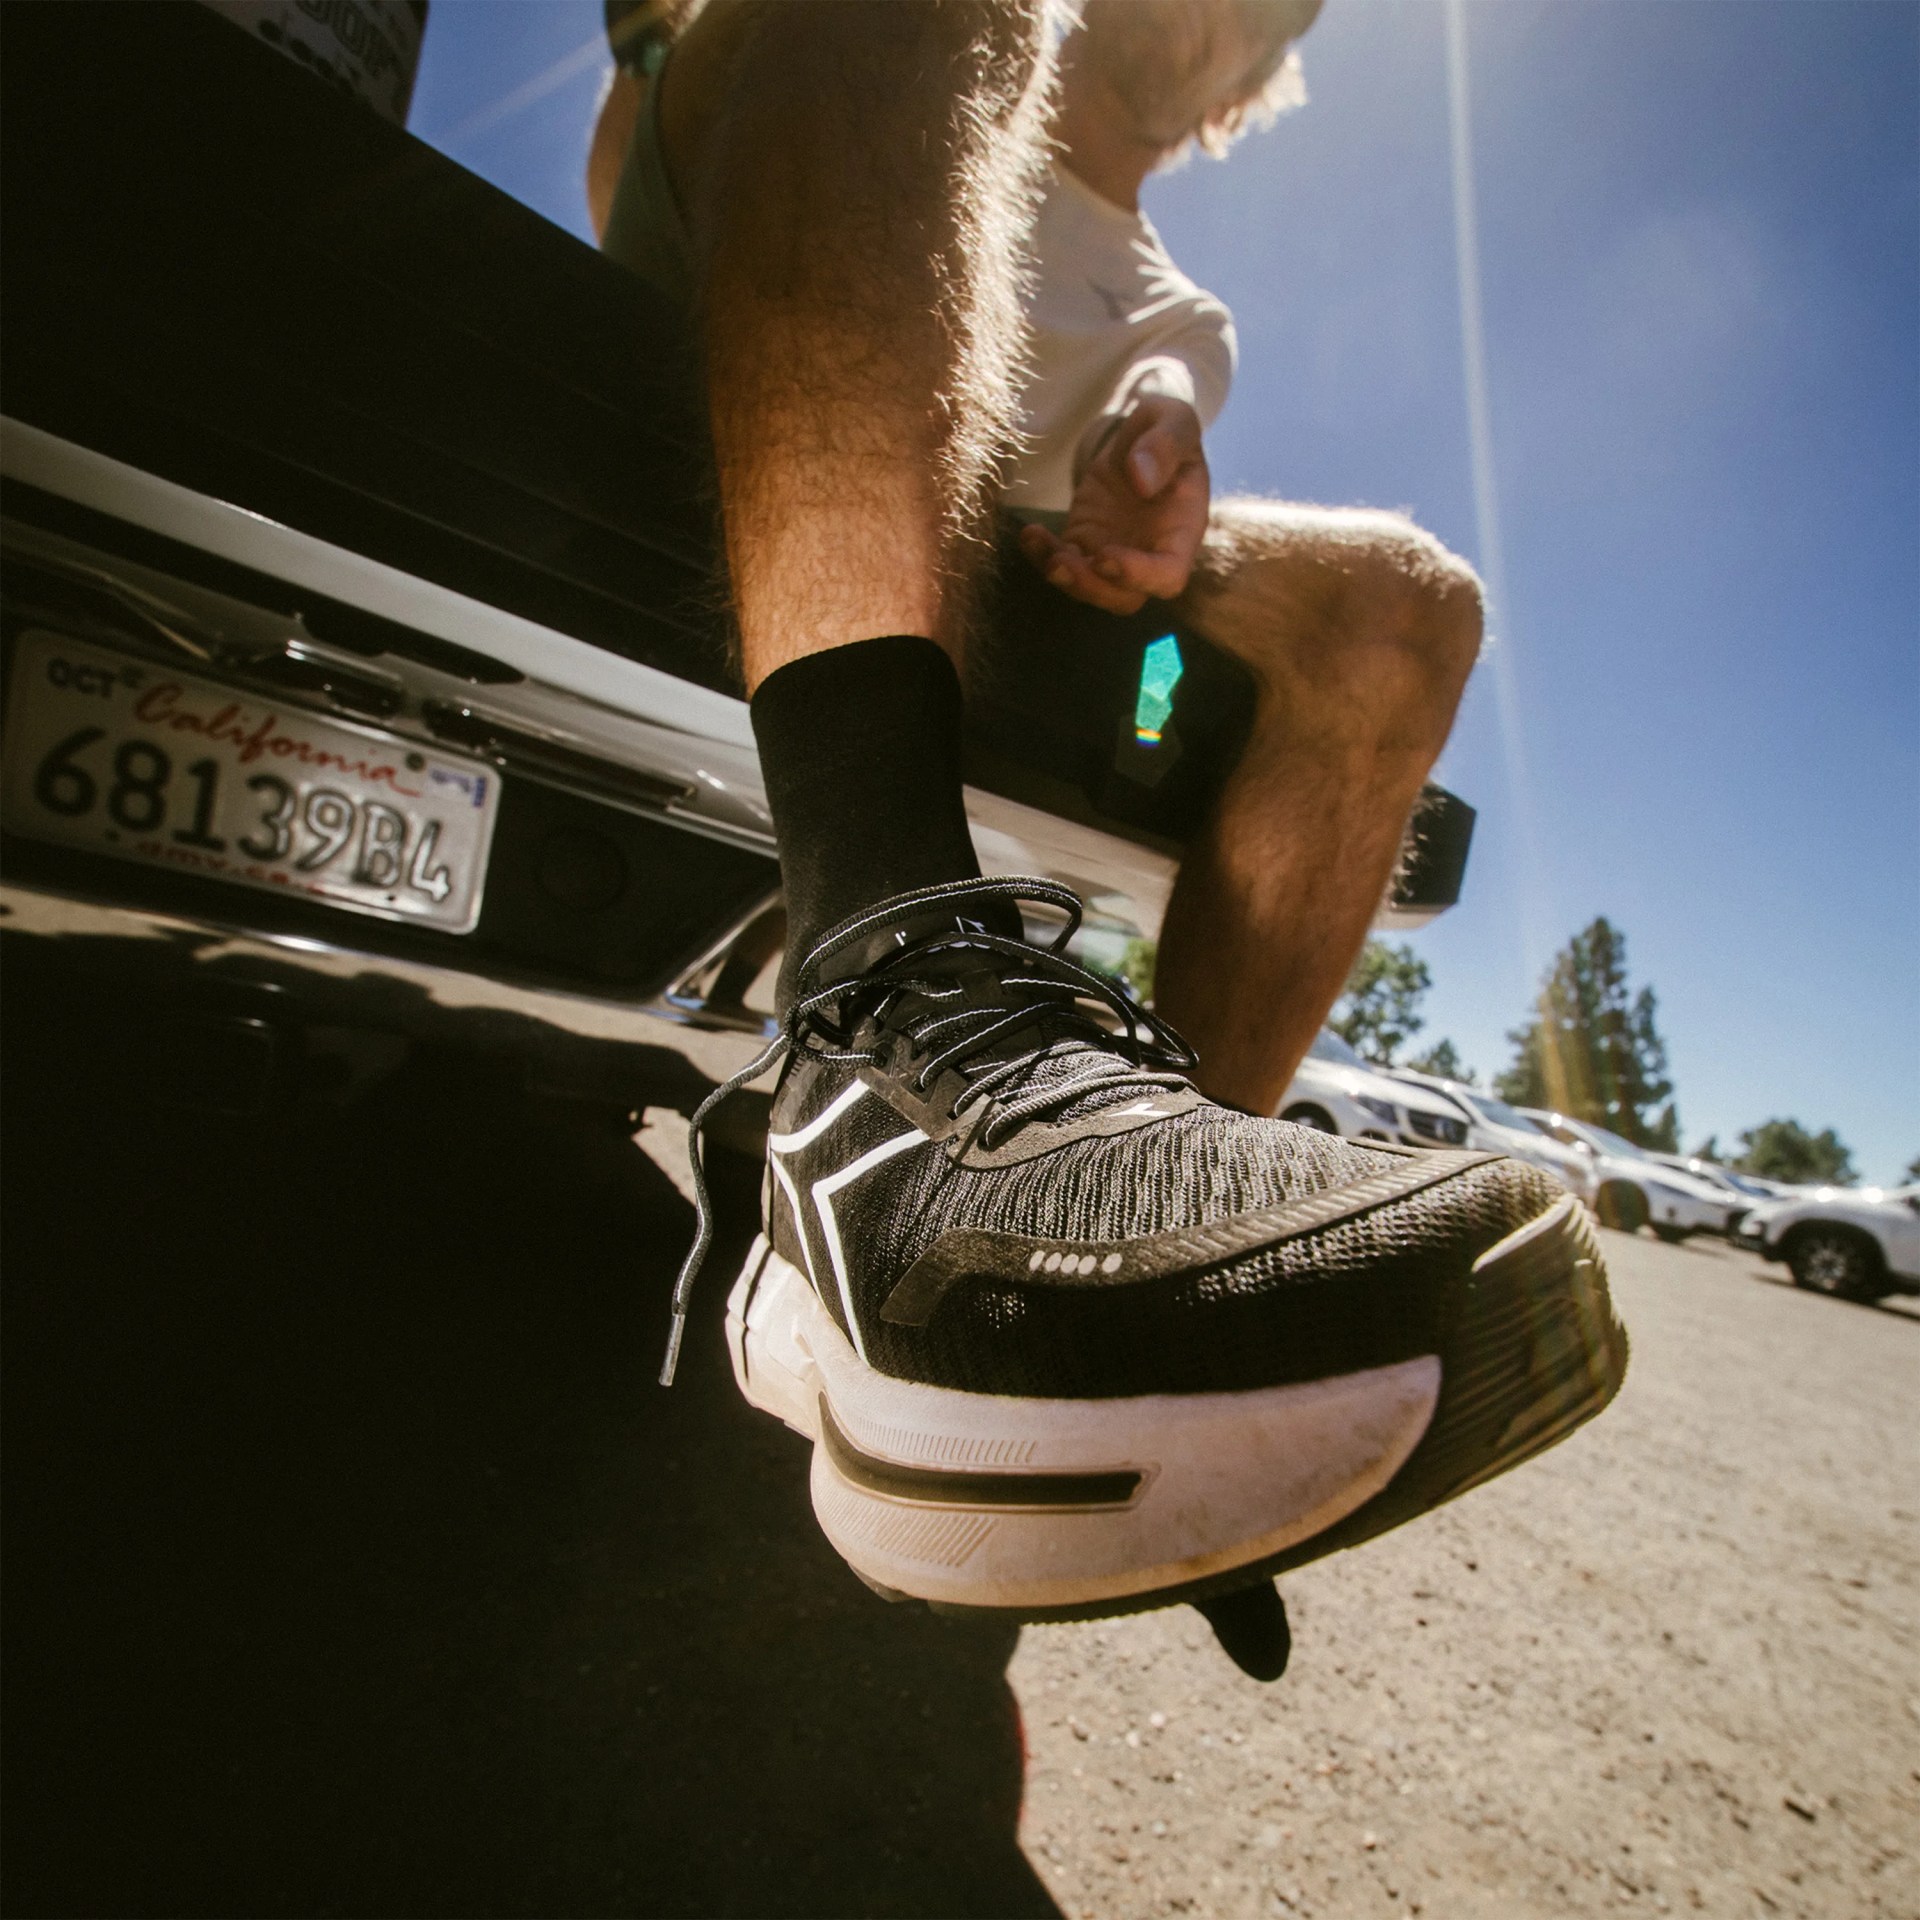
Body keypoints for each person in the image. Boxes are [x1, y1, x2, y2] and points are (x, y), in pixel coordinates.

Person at [587, 0, 1622, 1672]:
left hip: (1002, 514)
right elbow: (649, 141)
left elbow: (1143, 395)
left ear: (1250, 87)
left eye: (1270, 14)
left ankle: (1135, 1261)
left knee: (1410, 606)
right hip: (759, 297)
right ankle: (877, 1035)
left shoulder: (1176, 303)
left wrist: (1150, 494)